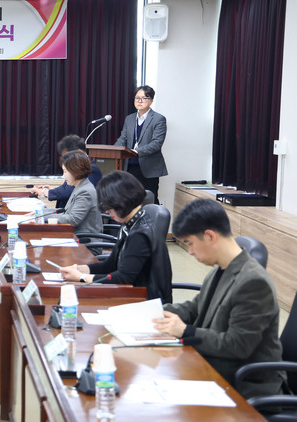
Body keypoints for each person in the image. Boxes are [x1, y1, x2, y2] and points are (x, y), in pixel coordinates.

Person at [154, 199, 283, 399]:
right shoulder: (220, 269)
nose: (190, 251)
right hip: (214, 367)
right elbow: (196, 307)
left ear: (210, 236)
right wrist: (156, 312)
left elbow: (238, 345)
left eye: (190, 243)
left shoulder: (253, 282)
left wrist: (186, 331)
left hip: (245, 383)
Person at [59, 171, 172, 302]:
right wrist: (81, 269)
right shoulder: (130, 224)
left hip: (145, 302)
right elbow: (111, 265)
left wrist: (82, 277)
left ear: (121, 201)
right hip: (132, 294)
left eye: (109, 206)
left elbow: (123, 278)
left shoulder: (140, 234)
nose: (106, 211)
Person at [114, 85, 167, 204]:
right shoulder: (129, 119)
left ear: (151, 101)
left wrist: (137, 151)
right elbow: (122, 139)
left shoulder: (159, 119)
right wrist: (113, 151)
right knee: (129, 200)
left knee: (149, 200)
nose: (139, 101)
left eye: (144, 98)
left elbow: (156, 143)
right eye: (137, 98)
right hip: (129, 166)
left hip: (149, 168)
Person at [32, 134, 102, 209]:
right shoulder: (76, 167)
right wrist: (51, 190)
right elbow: (67, 187)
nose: (66, 160)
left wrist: (45, 193)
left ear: (80, 152)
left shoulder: (91, 169)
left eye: (68, 156)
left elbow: (72, 191)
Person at [53, 151, 102, 234]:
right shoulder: (80, 186)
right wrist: (40, 213)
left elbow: (72, 220)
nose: (63, 175)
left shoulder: (85, 191)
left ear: (75, 171)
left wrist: (43, 217)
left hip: (84, 239)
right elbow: (64, 211)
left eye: (65, 171)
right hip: (75, 235)